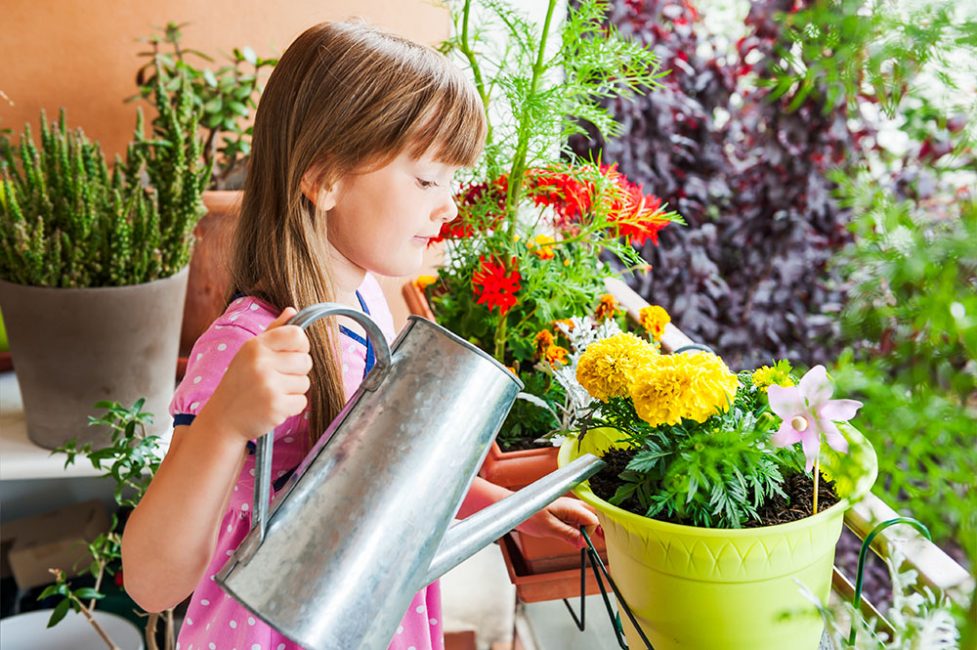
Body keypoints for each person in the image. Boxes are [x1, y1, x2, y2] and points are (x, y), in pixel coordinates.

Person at [121, 21, 600, 650]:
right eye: (427, 180)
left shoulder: (365, 301)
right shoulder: (248, 345)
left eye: (451, 181)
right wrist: (224, 423)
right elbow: (151, 583)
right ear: (324, 178)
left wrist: (513, 508)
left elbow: (381, 473)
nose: (449, 206)